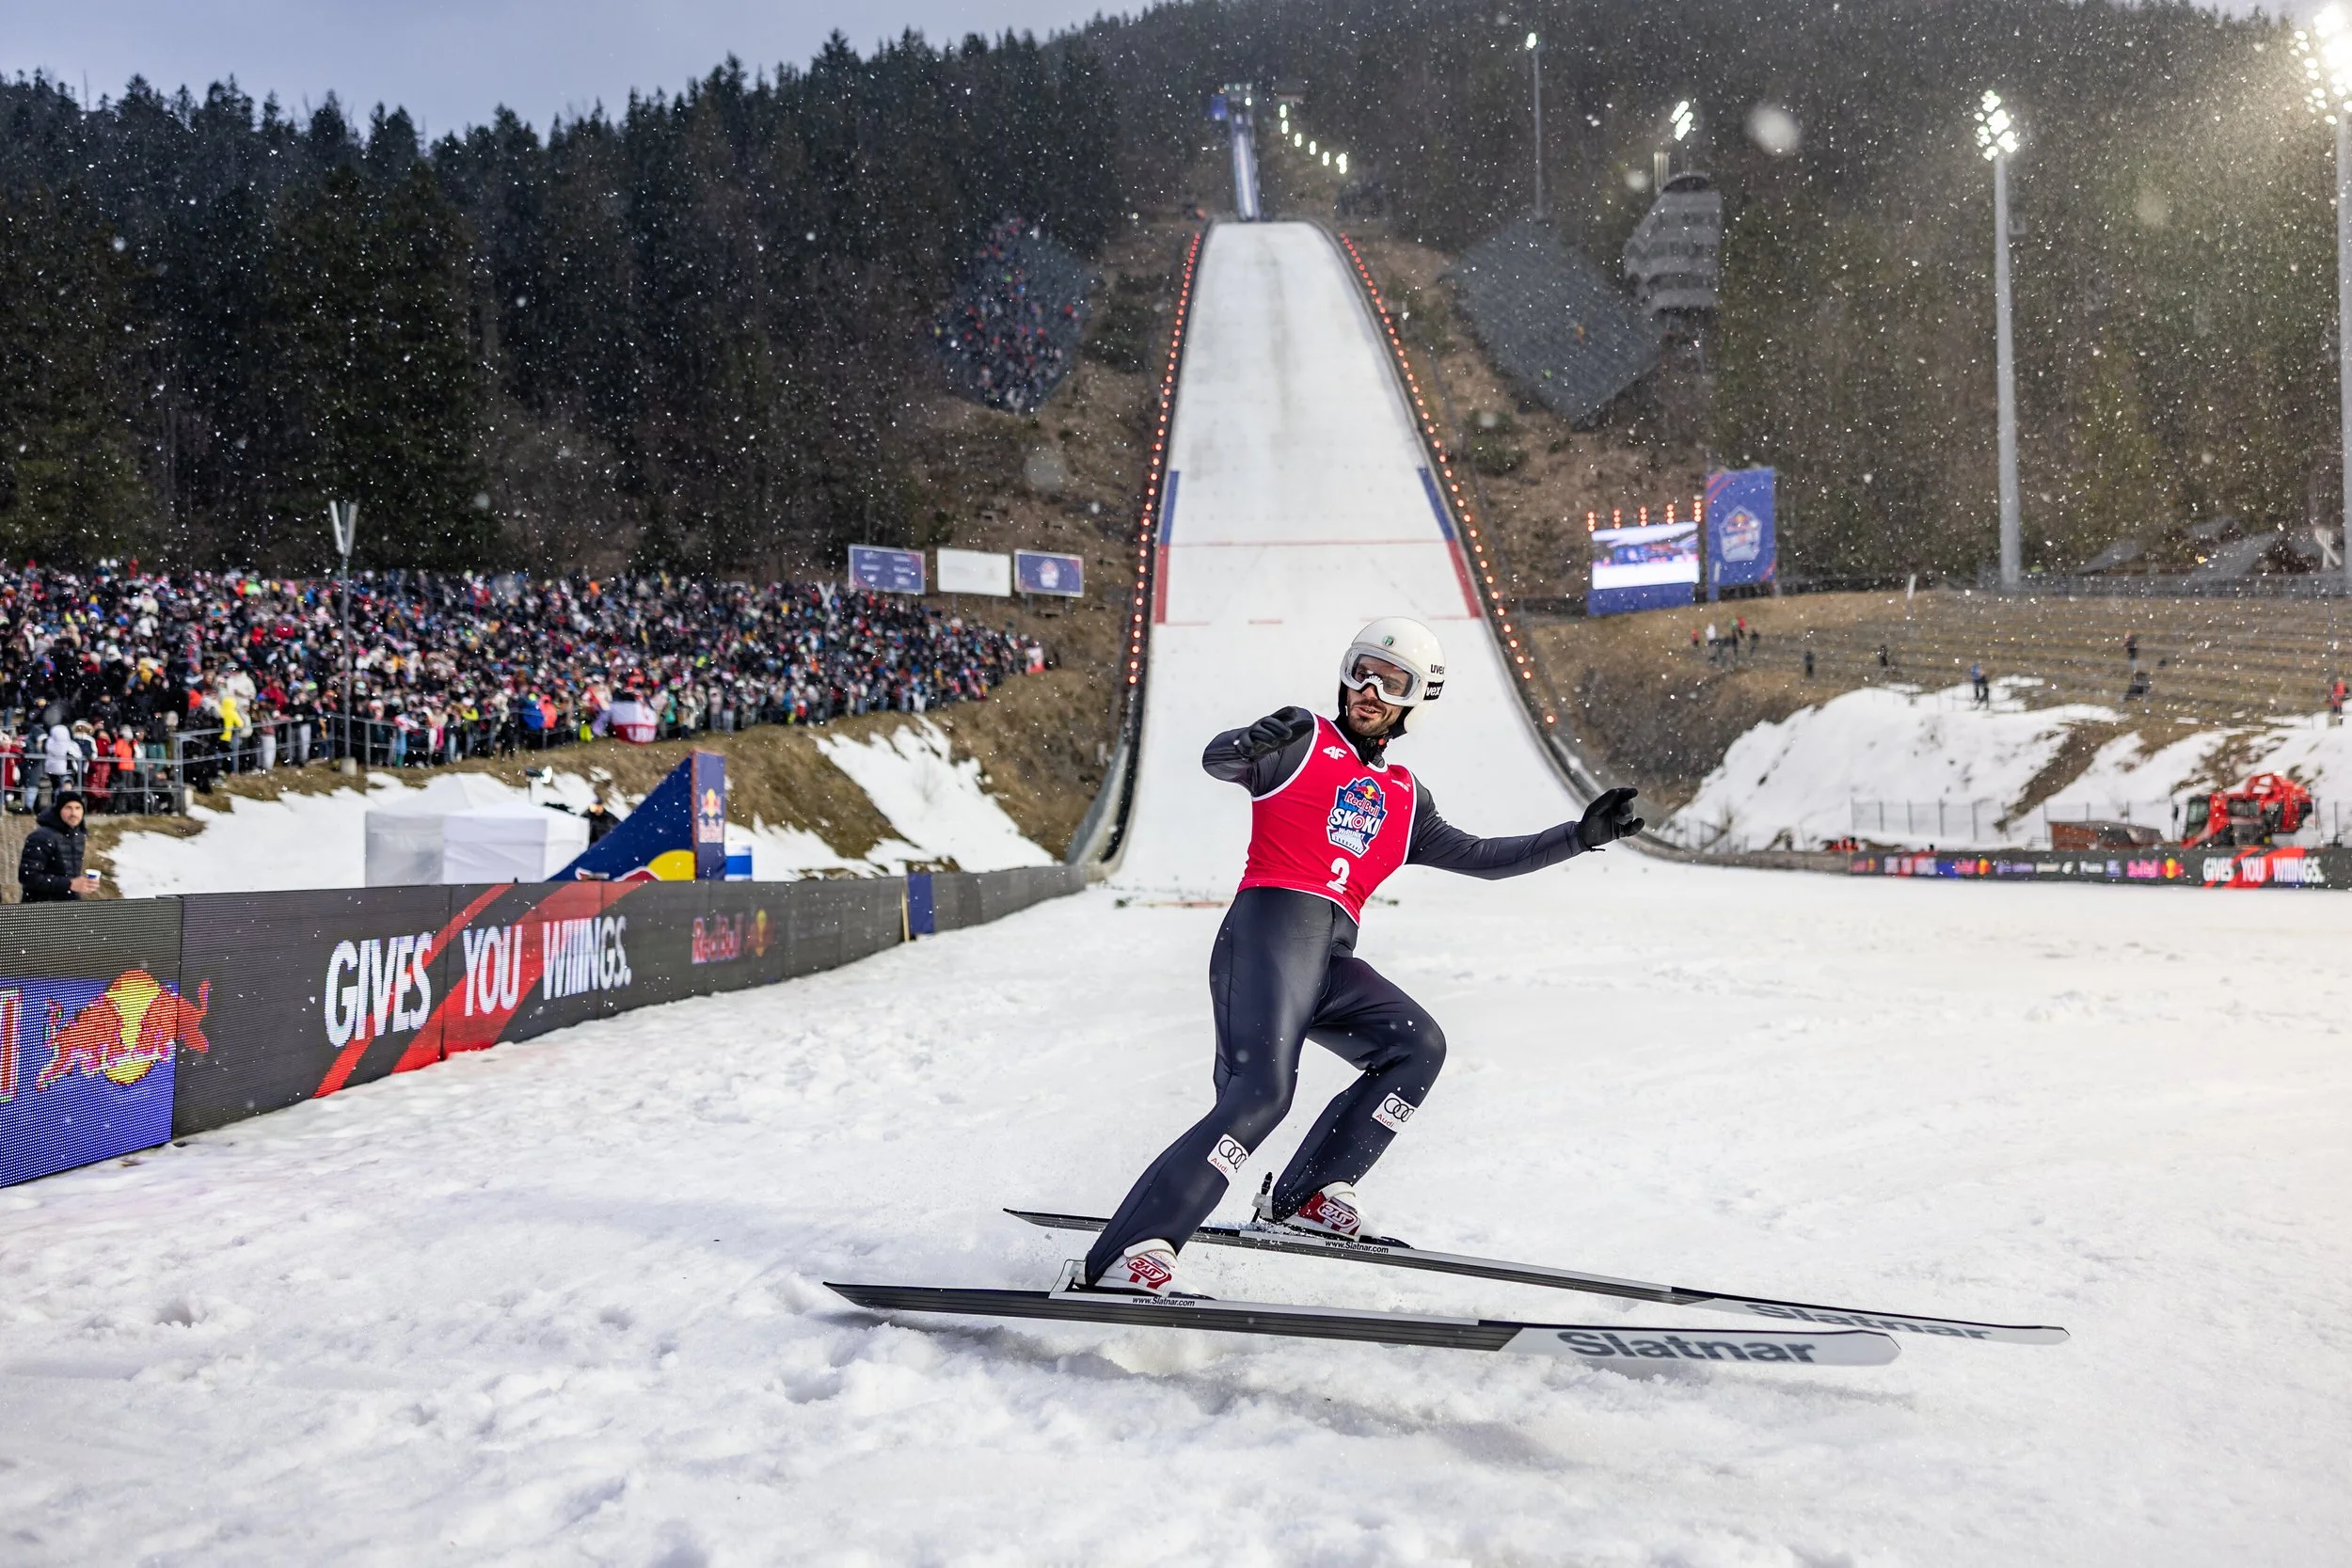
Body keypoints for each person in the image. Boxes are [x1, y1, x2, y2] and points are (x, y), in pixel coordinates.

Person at [1078, 617, 1646, 1296]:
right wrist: (1246, 743)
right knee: (1261, 1096)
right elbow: (1220, 761)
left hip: (1327, 962)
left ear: (1417, 699)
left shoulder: (1405, 798)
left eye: (1391, 680)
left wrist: (1578, 836)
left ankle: (1308, 1197)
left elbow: (1483, 856)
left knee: (1417, 1046)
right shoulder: (1301, 739)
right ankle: (1130, 1252)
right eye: (1361, 670)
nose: (1369, 689)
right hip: (1265, 940)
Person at [20, 789, 97, 901]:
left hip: (68, 904)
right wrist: (69, 884)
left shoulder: (78, 836)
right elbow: (28, 876)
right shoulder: (41, 837)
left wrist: (81, 885)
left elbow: (70, 874)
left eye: (78, 808)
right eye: (68, 808)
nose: (74, 813)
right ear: (59, 810)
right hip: (40, 906)